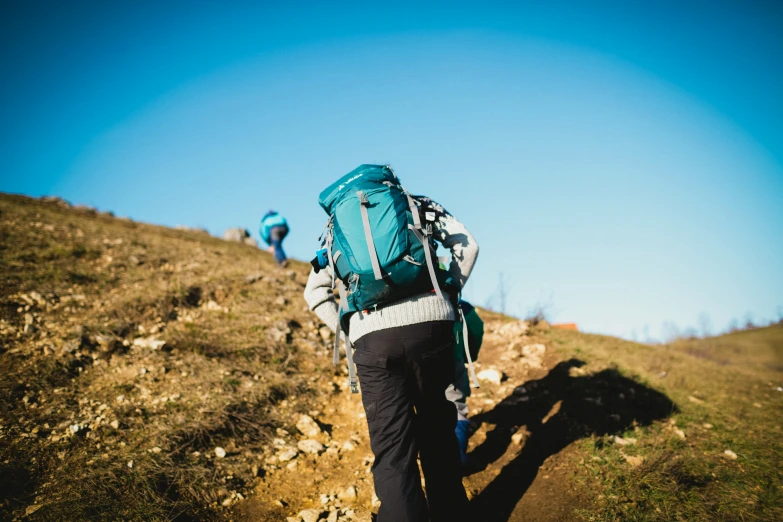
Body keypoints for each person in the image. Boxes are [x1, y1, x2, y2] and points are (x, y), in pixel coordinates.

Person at [304, 178, 479, 522]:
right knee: (436, 433)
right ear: (390, 183)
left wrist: (353, 332)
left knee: (393, 451)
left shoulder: (334, 228)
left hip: (372, 339)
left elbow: (315, 293)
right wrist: (447, 295)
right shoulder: (415, 203)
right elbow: (468, 246)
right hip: (431, 328)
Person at [446, 300, 484, 465]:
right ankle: (457, 460)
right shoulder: (458, 303)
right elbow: (476, 327)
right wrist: (469, 354)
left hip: (415, 361)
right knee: (456, 408)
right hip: (452, 360)